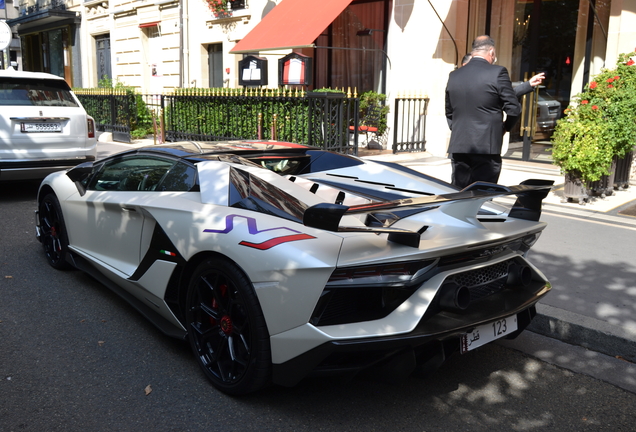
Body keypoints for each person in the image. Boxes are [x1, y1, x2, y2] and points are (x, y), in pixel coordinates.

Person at [445, 35, 521, 188]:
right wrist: (505, 128)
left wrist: (457, 128)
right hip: (486, 145)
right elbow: (513, 108)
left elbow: (449, 111)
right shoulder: (498, 72)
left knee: (459, 192)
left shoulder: (454, 75)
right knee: (482, 195)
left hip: (459, 145)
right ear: (491, 52)